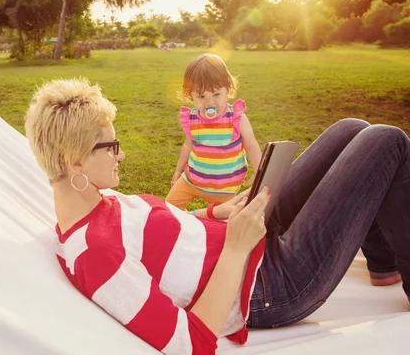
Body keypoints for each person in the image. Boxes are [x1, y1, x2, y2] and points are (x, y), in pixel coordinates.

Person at [24, 78, 410, 355]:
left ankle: (382, 264)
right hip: (270, 284)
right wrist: (236, 248)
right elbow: (190, 342)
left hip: (245, 238)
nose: (121, 155)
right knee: (386, 141)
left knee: (351, 129)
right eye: (111, 147)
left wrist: (216, 212)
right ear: (75, 162)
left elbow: (161, 230)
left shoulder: (97, 201)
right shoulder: (94, 254)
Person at [166, 53, 262, 210]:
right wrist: (178, 171)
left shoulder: (236, 118)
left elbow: (251, 145)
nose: (210, 102)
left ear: (228, 89)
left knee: (225, 224)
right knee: (169, 209)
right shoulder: (191, 119)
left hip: (225, 190)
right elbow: (187, 146)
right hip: (191, 181)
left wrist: (258, 170)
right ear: (190, 95)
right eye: (201, 96)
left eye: (216, 94)